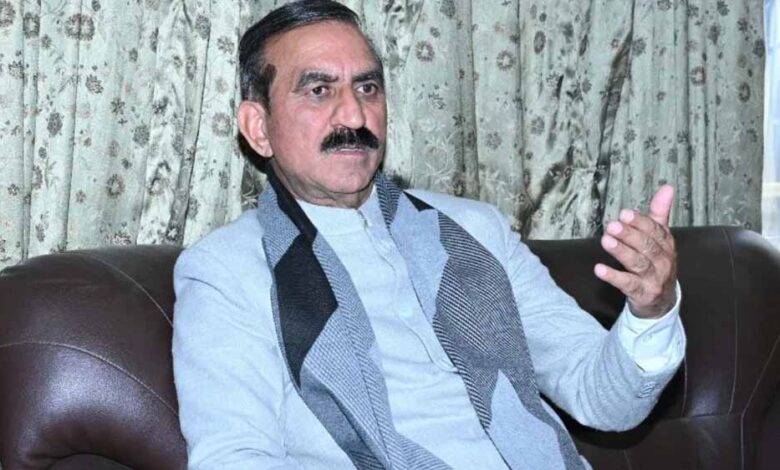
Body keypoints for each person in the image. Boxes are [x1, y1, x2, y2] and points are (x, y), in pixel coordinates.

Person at [171, 1, 685, 469]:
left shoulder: (475, 229)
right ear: (258, 128)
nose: (354, 114)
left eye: (367, 87)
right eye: (319, 90)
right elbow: (232, 460)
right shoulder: (227, 271)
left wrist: (651, 312)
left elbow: (603, 399)